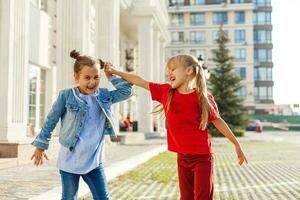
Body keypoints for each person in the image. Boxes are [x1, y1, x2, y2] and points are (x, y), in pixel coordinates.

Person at [104, 54, 248, 200]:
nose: (169, 73)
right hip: (182, 158)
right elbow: (139, 81)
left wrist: (236, 143)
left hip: (202, 159)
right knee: (186, 197)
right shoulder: (166, 92)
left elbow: (218, 121)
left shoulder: (202, 98)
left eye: (173, 69)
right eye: (168, 71)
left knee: (202, 197)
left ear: (189, 71)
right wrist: (114, 71)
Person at [30, 50, 132, 200]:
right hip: (70, 160)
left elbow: (126, 92)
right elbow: (51, 120)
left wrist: (112, 75)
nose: (92, 82)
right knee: (69, 197)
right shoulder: (66, 95)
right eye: (87, 78)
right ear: (76, 77)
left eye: (96, 77)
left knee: (103, 197)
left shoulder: (103, 96)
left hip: (94, 162)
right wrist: (41, 145)